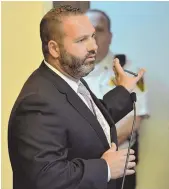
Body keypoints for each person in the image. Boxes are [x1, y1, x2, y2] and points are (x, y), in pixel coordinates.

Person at [8, 5, 146, 189]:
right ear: (55, 49)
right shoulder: (37, 101)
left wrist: (123, 90)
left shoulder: (68, 78)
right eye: (81, 40)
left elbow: (86, 122)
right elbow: (46, 177)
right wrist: (105, 168)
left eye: (93, 37)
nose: (93, 47)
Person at [85, 9, 150, 189]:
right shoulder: (73, 72)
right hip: (84, 168)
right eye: (88, 30)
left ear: (110, 36)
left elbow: (134, 120)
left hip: (120, 166)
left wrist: (98, 148)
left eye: (99, 29)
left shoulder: (128, 69)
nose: (93, 35)